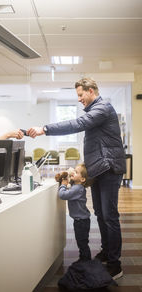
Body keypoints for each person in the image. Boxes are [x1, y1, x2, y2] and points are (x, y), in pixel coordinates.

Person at [27, 77, 126, 280]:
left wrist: (45, 129)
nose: (79, 99)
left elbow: (77, 124)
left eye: (81, 95)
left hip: (108, 167)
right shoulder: (95, 110)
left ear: (91, 91)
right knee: (100, 213)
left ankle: (115, 264)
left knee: (109, 216)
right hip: (98, 169)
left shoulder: (102, 108)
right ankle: (107, 252)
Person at [55, 164, 91, 262]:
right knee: (82, 242)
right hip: (81, 220)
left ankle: (86, 260)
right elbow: (70, 181)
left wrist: (63, 185)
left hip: (81, 222)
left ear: (82, 179)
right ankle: (84, 258)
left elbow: (63, 195)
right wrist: (68, 176)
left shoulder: (77, 189)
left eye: (76, 172)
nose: (73, 173)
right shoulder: (77, 186)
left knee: (82, 242)